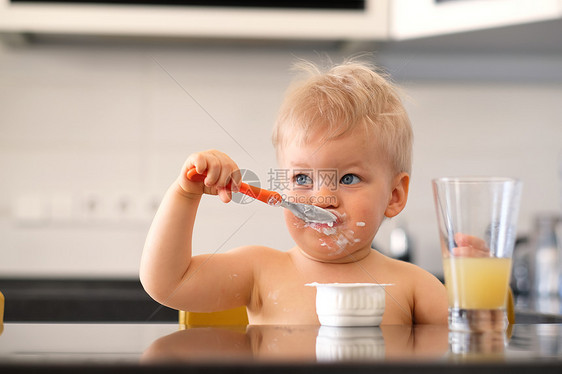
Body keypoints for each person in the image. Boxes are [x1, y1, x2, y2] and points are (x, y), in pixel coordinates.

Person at [140, 58, 448, 324]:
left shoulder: (415, 288)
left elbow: (476, 345)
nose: (323, 198)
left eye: (349, 179)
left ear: (394, 196)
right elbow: (168, 283)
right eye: (302, 178)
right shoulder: (259, 272)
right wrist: (185, 194)